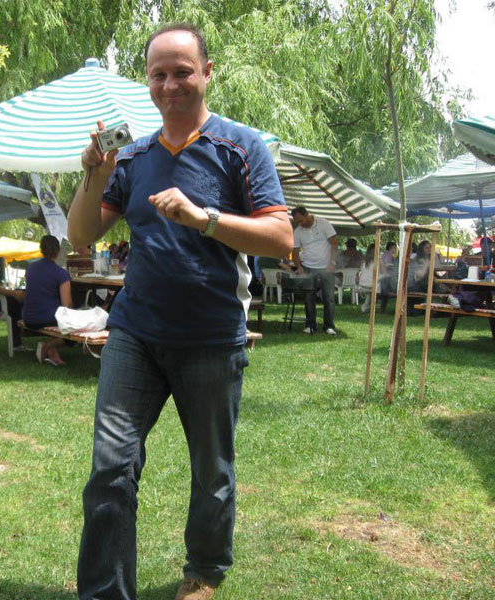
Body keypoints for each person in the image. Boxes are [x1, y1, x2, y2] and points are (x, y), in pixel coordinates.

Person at [67, 23, 292, 600]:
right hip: (135, 333)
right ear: (147, 80)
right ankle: (105, 592)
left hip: (212, 336)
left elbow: (281, 238)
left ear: (207, 73)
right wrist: (95, 174)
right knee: (110, 467)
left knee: (211, 470)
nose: (170, 85)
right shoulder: (133, 156)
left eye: (182, 72)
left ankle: (203, 573)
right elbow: (81, 235)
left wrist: (203, 219)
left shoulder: (241, 147)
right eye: (159, 74)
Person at [22, 235, 73, 366]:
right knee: (74, 332)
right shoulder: (61, 274)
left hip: (29, 318)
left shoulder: (30, 268)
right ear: (58, 251)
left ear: (41, 250)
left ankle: (51, 351)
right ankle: (48, 346)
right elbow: (67, 305)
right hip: (48, 318)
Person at [291, 206, 338, 335]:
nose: (300, 224)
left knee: (328, 297)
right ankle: (310, 325)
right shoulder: (298, 231)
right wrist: (299, 266)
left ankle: (329, 326)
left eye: (301, 220)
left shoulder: (323, 223)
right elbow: (295, 251)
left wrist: (333, 262)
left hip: (326, 267)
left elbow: (334, 243)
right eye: (297, 222)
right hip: (308, 267)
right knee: (309, 297)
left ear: (306, 214)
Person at [358, 243, 381, 312]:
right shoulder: (378, 260)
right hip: (372, 284)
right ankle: (378, 305)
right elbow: (383, 273)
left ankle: (367, 306)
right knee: (383, 284)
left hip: (362, 283)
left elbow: (361, 271)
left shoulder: (364, 260)